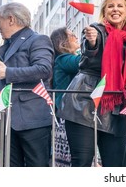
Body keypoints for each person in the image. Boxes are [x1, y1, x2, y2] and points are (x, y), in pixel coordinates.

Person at [57, 0, 126, 167]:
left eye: (119, 6)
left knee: (115, 165)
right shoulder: (96, 30)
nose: (115, 9)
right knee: (83, 163)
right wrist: (92, 42)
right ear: (104, 11)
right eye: (110, 6)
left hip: (117, 107)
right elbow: (88, 53)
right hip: (84, 104)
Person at [0, 2, 54, 167]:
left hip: (32, 120)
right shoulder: (6, 47)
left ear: (11, 19)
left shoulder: (38, 40)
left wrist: (8, 73)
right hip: (6, 121)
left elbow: (44, 69)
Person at [50, 27, 81, 167]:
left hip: (68, 114)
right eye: (72, 35)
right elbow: (82, 62)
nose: (76, 37)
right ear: (62, 42)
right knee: (69, 160)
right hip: (66, 116)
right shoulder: (63, 59)